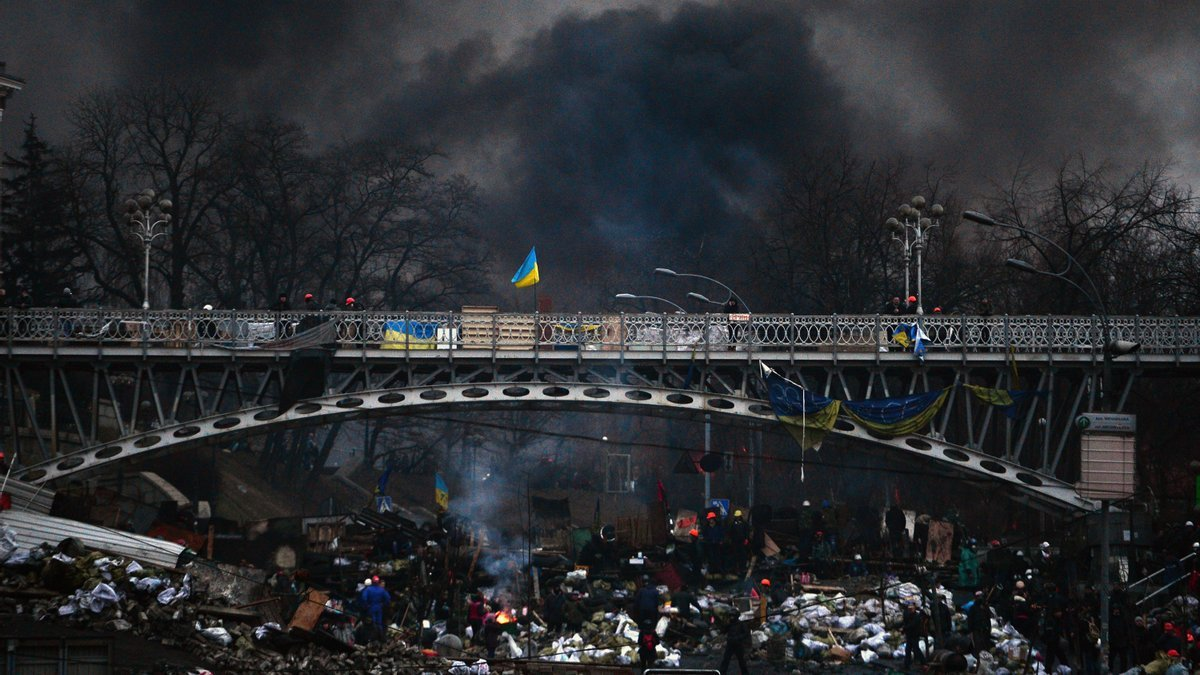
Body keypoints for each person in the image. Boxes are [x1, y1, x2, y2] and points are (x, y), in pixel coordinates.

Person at [358, 577, 391, 643]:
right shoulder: (381, 590)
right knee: (379, 623)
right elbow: (388, 598)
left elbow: (364, 598)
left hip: (371, 608)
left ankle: (372, 639)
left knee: (372, 623)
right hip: (379, 608)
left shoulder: (368, 589)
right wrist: (383, 604)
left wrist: (366, 605)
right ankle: (381, 638)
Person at [903, 602, 928, 668]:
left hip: (914, 635)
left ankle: (923, 662)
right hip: (910, 635)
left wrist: (904, 628)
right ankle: (907, 664)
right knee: (908, 650)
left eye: (911, 609)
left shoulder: (917, 616)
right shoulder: (909, 615)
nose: (910, 610)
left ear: (914, 609)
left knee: (915, 649)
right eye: (909, 609)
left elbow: (912, 625)